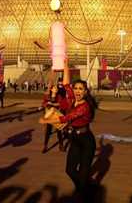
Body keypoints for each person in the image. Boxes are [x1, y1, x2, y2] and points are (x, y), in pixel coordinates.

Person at [39, 58, 97, 200]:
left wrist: (46, 120)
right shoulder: (71, 99)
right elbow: (65, 84)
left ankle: (84, 192)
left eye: (80, 89)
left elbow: (65, 118)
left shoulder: (84, 107)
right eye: (76, 88)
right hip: (75, 139)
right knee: (70, 170)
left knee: (83, 173)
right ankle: (84, 187)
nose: (77, 91)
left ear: (85, 92)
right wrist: (65, 65)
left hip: (86, 141)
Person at [41, 83, 66, 153]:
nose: (56, 89)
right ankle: (45, 146)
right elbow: (43, 103)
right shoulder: (47, 96)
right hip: (49, 115)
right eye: (55, 88)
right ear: (51, 89)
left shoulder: (59, 96)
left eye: (56, 88)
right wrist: (46, 104)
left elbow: (60, 104)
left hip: (56, 115)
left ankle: (61, 145)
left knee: (59, 131)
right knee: (48, 131)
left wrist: (52, 104)